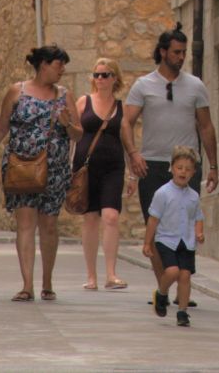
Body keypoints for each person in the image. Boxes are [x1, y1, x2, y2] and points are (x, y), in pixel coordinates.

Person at [0, 45, 83, 302]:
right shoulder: (16, 92)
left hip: (54, 169)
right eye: (59, 65)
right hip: (20, 166)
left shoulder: (64, 96)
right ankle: (27, 285)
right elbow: (0, 128)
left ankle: (47, 282)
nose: (63, 70)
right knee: (25, 224)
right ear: (43, 64)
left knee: (49, 225)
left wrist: (68, 124)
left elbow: (78, 134)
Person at [122, 23, 219, 302]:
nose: (181, 57)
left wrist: (212, 165)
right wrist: (133, 154)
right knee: (155, 228)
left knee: (185, 227)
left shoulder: (195, 86)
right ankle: (163, 286)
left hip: (187, 165)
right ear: (163, 52)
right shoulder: (143, 86)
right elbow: (126, 123)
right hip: (151, 164)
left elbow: (206, 127)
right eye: (176, 52)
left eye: (184, 52)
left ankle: (181, 290)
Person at [73, 58, 135, 291]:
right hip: (86, 169)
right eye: (97, 75)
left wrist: (133, 175)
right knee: (90, 219)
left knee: (110, 216)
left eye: (105, 75)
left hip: (113, 168)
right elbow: (72, 133)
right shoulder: (83, 102)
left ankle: (111, 274)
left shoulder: (121, 108)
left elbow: (128, 141)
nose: (100, 79)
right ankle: (91, 277)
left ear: (115, 79)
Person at [142, 146, 205, 327]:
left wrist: (199, 233)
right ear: (172, 168)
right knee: (172, 271)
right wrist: (148, 243)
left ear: (193, 172)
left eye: (187, 169)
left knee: (185, 276)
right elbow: (153, 220)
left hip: (186, 241)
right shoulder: (163, 193)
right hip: (166, 240)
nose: (183, 172)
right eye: (179, 167)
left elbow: (198, 217)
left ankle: (182, 312)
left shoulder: (193, 196)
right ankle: (162, 293)